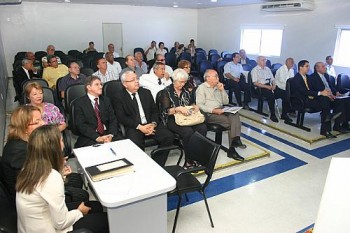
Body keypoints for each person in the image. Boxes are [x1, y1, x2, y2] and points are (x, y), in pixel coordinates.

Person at [16, 125, 109, 233]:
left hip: (34, 226)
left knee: (95, 206)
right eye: (61, 140)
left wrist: (60, 173)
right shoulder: (50, 177)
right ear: (53, 147)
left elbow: (45, 191)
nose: (64, 144)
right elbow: (61, 223)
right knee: (105, 220)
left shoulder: (29, 168)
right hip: (52, 228)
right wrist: (79, 212)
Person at [111, 71, 174, 166]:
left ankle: (157, 164)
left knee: (168, 136)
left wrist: (153, 124)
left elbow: (154, 111)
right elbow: (121, 117)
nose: (136, 81)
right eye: (132, 80)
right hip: (134, 126)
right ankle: (141, 165)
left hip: (149, 124)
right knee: (135, 142)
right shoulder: (118, 96)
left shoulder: (146, 92)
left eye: (137, 78)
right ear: (125, 84)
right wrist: (140, 127)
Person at [158, 68, 207, 168]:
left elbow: (191, 104)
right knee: (188, 132)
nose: (182, 85)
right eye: (180, 82)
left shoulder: (186, 91)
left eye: (184, 82)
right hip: (172, 118)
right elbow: (165, 111)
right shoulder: (166, 92)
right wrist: (178, 109)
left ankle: (197, 156)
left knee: (202, 128)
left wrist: (195, 107)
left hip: (187, 118)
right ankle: (189, 160)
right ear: (174, 80)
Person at [196, 69, 246, 161]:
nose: (218, 78)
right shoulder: (201, 88)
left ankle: (235, 140)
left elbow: (226, 102)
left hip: (221, 109)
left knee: (235, 114)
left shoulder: (218, 87)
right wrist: (213, 110)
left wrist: (222, 90)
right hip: (209, 113)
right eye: (216, 76)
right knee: (233, 123)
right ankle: (233, 148)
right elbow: (200, 105)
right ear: (208, 78)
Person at [291, 60, 339, 138]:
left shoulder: (308, 77)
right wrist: (320, 93)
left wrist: (324, 93)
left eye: (308, 66)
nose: (309, 68)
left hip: (311, 98)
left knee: (325, 100)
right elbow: (305, 92)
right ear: (300, 67)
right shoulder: (296, 79)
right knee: (325, 104)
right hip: (301, 100)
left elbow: (314, 88)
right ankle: (326, 125)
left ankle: (326, 128)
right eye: (307, 66)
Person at [74, 76, 123, 148]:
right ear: (89, 87)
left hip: (108, 133)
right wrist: (97, 137)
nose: (100, 87)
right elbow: (81, 125)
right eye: (97, 84)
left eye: (101, 84)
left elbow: (113, 119)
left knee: (123, 146)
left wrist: (110, 135)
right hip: (90, 135)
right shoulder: (79, 103)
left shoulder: (106, 100)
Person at [251, 56, 292, 123]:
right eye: (263, 60)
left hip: (270, 86)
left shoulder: (267, 69)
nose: (265, 61)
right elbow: (255, 83)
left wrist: (274, 85)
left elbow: (273, 79)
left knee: (284, 93)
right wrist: (267, 87)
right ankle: (272, 114)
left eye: (265, 60)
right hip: (261, 88)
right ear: (258, 62)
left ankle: (284, 114)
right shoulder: (255, 70)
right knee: (271, 95)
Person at [310, 62, 348, 133]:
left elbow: (330, 86)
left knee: (345, 100)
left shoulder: (326, 75)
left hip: (329, 95)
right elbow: (317, 89)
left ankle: (341, 124)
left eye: (324, 66)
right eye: (323, 66)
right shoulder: (312, 77)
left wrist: (336, 92)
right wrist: (329, 95)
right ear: (317, 68)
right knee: (328, 101)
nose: (325, 67)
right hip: (321, 98)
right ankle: (326, 129)